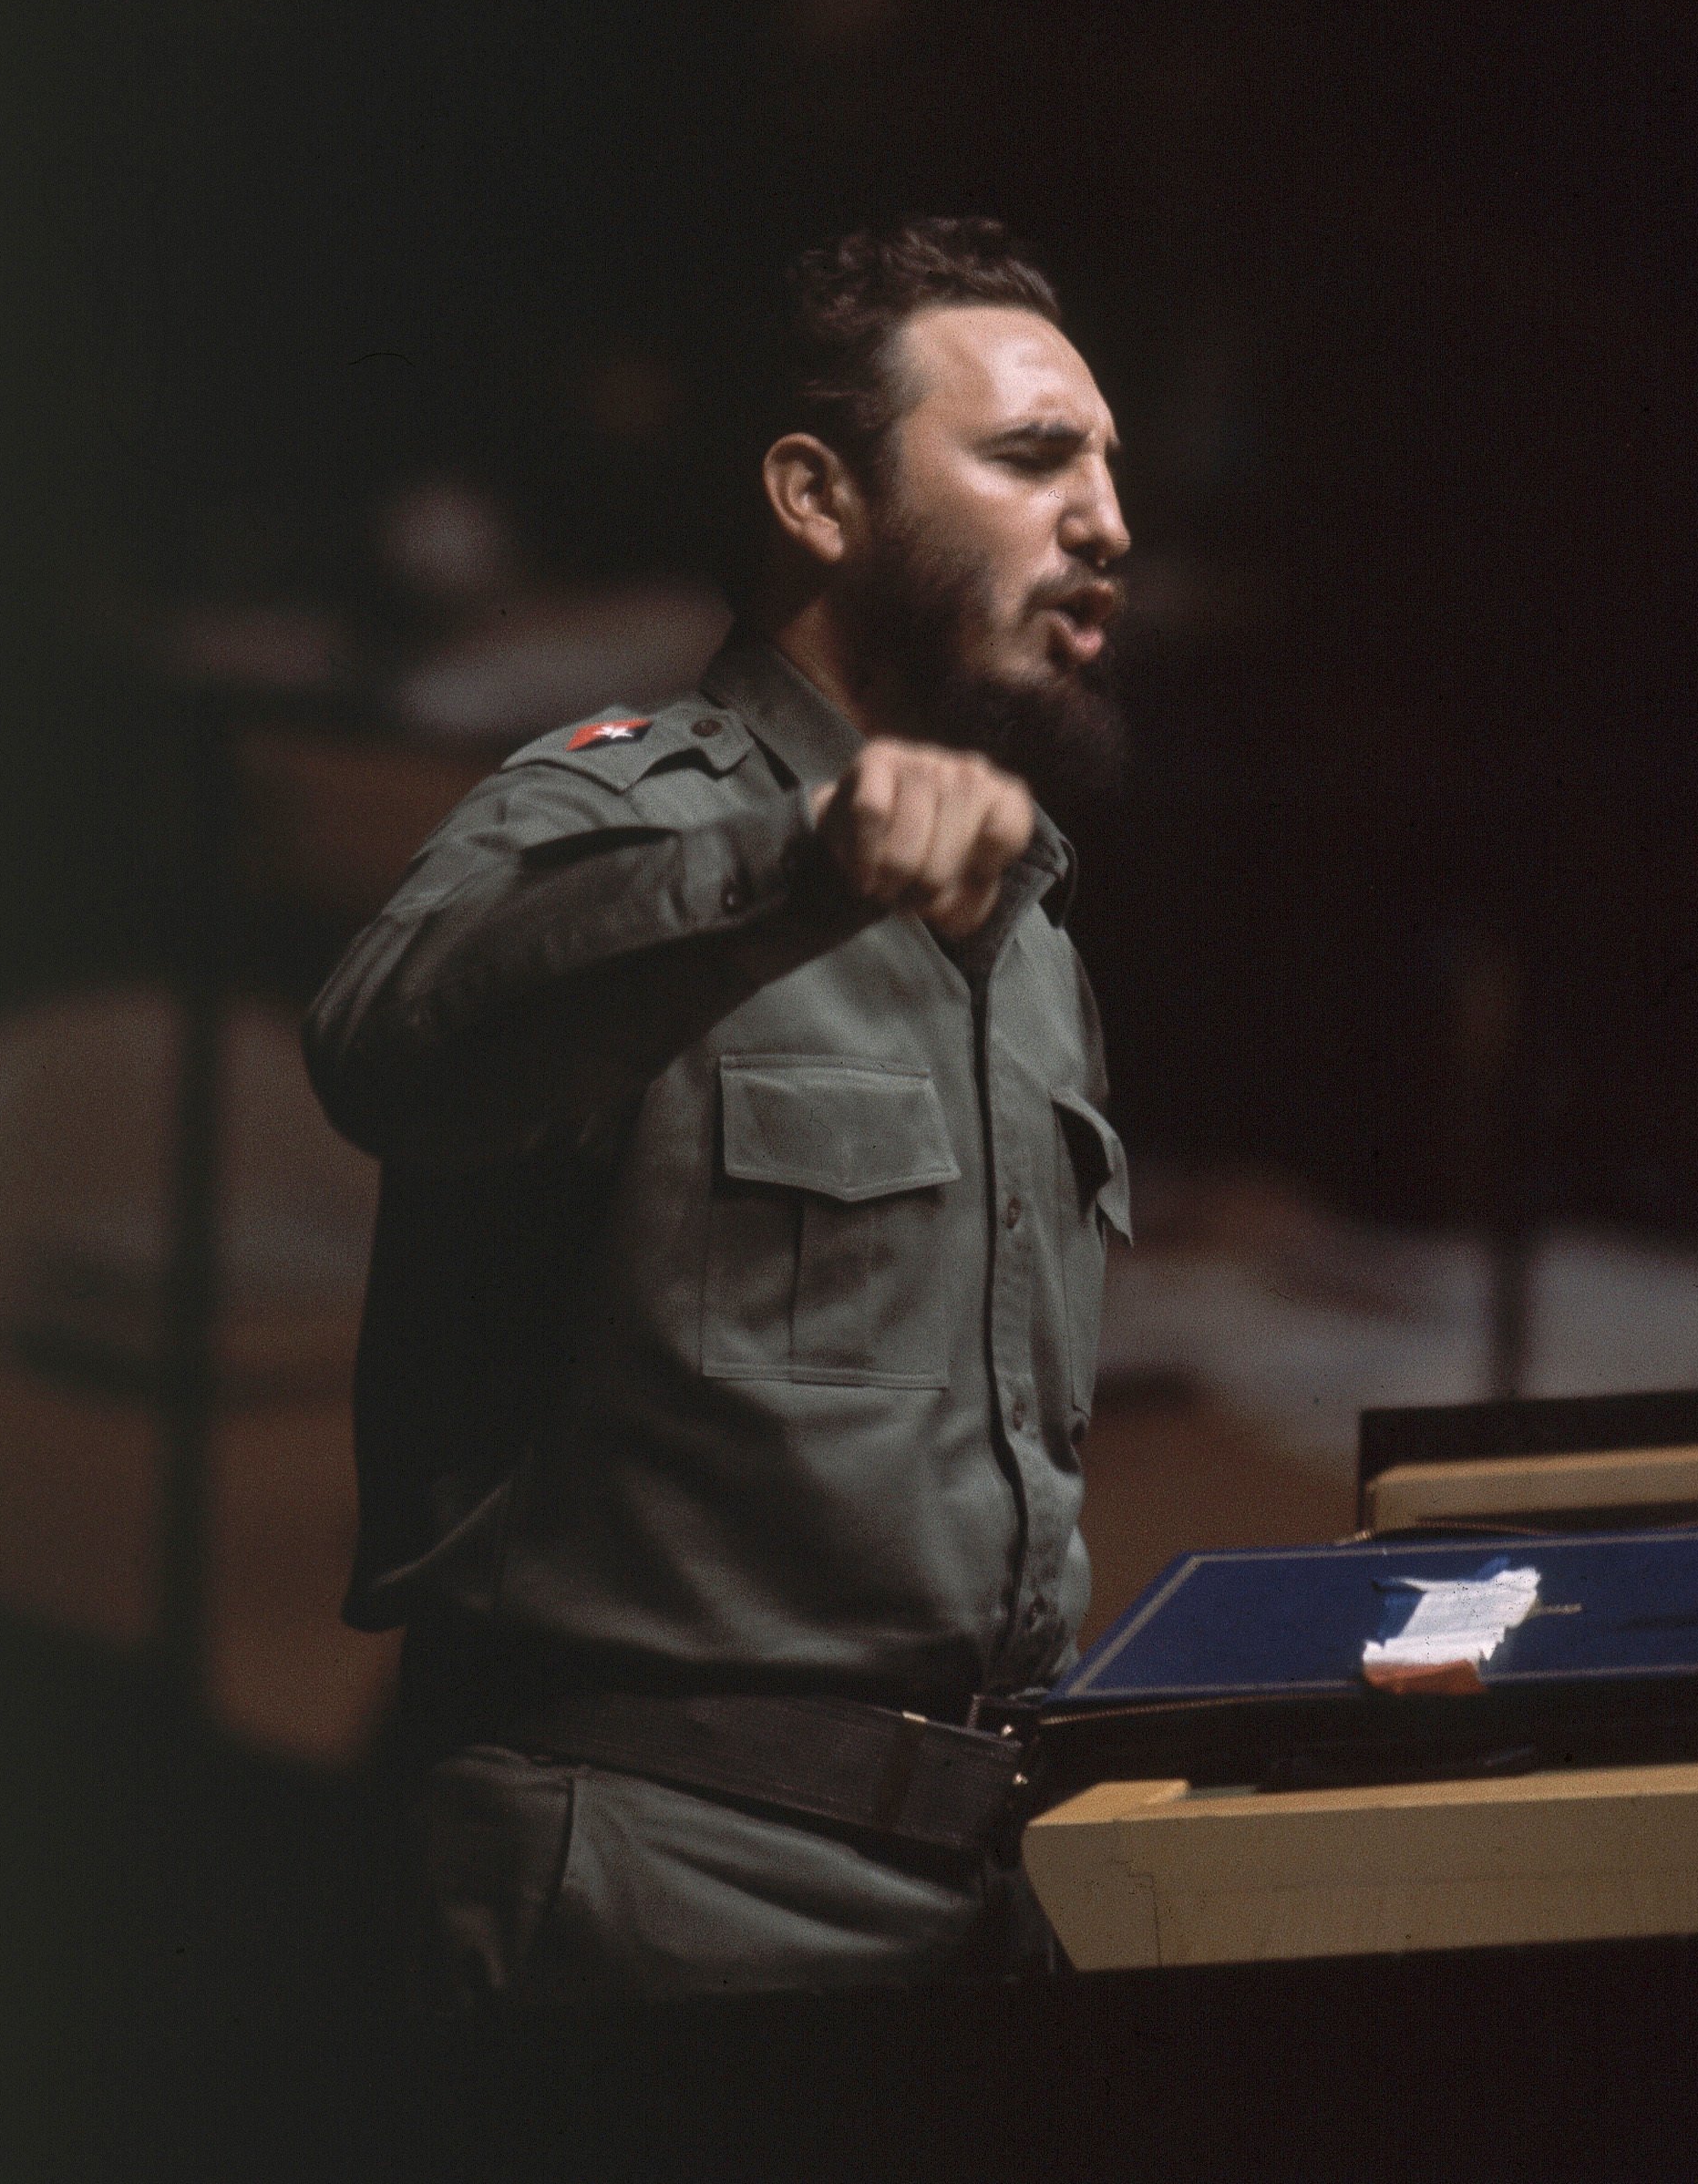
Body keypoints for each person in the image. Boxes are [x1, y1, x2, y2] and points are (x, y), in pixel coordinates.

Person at [305, 218, 1134, 2004]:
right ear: (817, 499)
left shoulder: (1032, 926)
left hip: (978, 1906)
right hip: (657, 1897)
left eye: (1111, 469)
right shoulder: (622, 813)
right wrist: (792, 865)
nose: (1107, 524)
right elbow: (390, 1043)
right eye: (1032, 457)